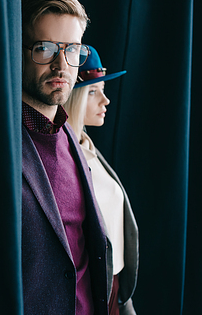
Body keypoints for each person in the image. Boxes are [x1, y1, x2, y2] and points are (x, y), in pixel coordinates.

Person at [21, 0, 109, 315]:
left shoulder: (70, 137)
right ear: (20, 49)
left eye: (72, 49)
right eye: (45, 49)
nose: (62, 65)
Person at [63, 45, 139, 315]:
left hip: (114, 288)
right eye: (93, 92)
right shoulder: (63, 160)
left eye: (103, 91)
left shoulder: (89, 148)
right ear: (74, 97)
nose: (105, 101)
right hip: (86, 293)